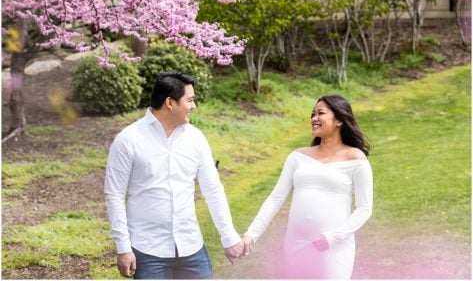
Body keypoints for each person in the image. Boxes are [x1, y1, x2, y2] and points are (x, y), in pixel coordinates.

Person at [104, 71, 245, 280]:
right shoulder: (128, 140)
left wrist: (229, 236)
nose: (194, 106)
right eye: (190, 100)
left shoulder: (195, 139)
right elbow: (114, 195)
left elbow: (213, 190)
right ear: (170, 102)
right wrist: (123, 248)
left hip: (191, 248)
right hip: (148, 251)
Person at [242, 94, 373, 280]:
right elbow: (275, 199)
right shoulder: (297, 157)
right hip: (296, 244)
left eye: (321, 113)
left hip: (334, 247)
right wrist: (250, 235)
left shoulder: (356, 159)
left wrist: (333, 237)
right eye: (313, 114)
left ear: (339, 120)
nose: (314, 118)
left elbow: (364, 208)